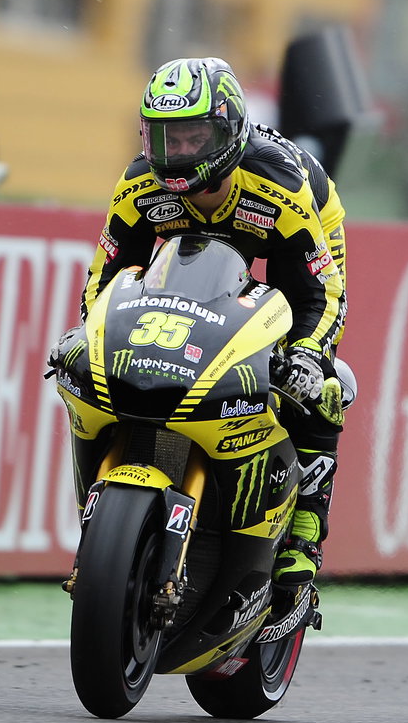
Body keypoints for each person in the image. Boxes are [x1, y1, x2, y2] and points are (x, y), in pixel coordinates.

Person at [79, 56, 354, 588]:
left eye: (191, 137)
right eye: (164, 139)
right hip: (198, 266)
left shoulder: (279, 186)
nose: (177, 153)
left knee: (318, 382)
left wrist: (305, 354)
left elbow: (323, 293)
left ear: (226, 131)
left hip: (309, 229)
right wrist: (91, 335)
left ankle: (304, 531)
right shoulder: (138, 184)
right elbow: (103, 279)